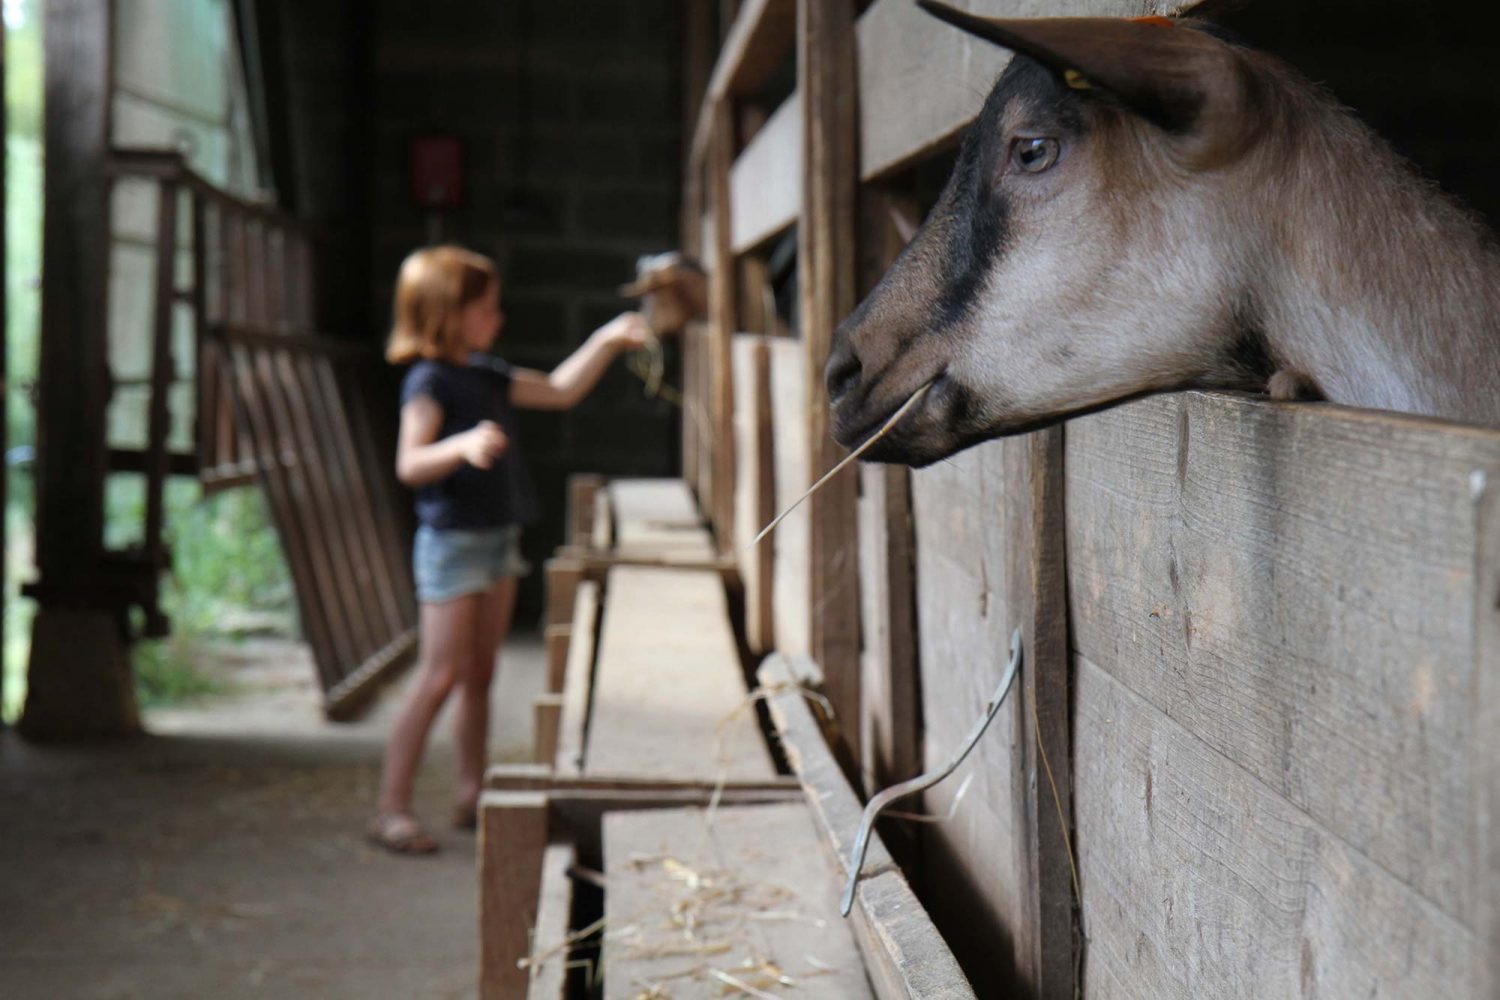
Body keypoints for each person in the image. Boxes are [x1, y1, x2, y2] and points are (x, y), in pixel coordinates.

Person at [369, 245, 648, 854]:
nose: (498, 318)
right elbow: (410, 462)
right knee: (440, 675)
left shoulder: (487, 373)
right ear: (448, 313)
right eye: (486, 309)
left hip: (498, 541)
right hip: (452, 546)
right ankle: (391, 808)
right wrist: (461, 446)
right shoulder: (428, 381)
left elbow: (558, 389)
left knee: (481, 674)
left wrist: (604, 340)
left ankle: (471, 791)